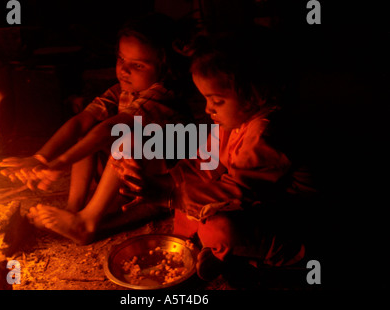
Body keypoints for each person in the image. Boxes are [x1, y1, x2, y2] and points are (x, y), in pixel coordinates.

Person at [112, 32, 317, 281]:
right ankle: (202, 250)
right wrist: (156, 179)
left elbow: (239, 191)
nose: (208, 109)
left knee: (218, 228)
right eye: (206, 99)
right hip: (252, 203)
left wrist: (167, 195)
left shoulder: (267, 133)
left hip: (287, 218)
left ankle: (272, 263)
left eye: (217, 101)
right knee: (189, 202)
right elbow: (203, 164)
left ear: (253, 96)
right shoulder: (232, 119)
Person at [0, 13, 189, 244]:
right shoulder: (122, 90)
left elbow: (109, 129)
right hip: (130, 173)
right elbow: (81, 121)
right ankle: (73, 210)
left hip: (162, 180)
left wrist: (60, 163)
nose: (124, 70)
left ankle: (87, 223)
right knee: (87, 131)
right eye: (121, 59)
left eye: (137, 65)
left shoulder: (163, 94)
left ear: (164, 68)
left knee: (125, 141)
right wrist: (42, 157)